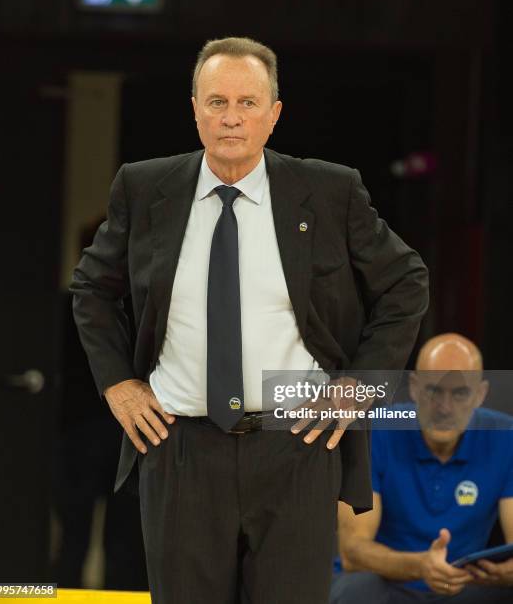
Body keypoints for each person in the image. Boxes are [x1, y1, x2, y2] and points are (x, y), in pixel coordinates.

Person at [70, 36, 429, 603]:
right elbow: (91, 287)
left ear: (274, 114)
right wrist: (117, 382)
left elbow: (406, 282)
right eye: (216, 102)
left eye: (247, 103)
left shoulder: (330, 191)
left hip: (297, 446)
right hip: (179, 447)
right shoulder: (144, 188)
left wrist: (358, 386)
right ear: (194, 109)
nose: (231, 119)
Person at [331, 333, 513, 603]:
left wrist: (502, 573)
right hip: (386, 585)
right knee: (355, 590)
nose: (444, 408)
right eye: (433, 391)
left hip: (465, 587)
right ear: (414, 388)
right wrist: (421, 566)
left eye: (460, 393)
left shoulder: (505, 437)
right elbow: (353, 551)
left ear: (480, 394)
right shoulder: (374, 431)